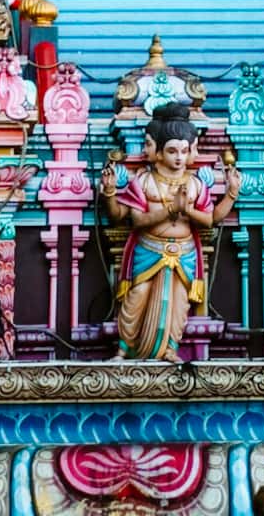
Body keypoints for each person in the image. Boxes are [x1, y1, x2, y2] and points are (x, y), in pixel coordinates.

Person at [102, 105, 240, 359]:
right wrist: (110, 193)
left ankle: (170, 348)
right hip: (149, 250)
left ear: (191, 151)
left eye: (184, 151)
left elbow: (211, 219)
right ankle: (123, 349)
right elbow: (135, 219)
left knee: (178, 303)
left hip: (184, 252)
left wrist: (231, 194)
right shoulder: (144, 180)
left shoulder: (195, 183)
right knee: (137, 297)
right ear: (158, 151)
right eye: (172, 151)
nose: (178, 157)